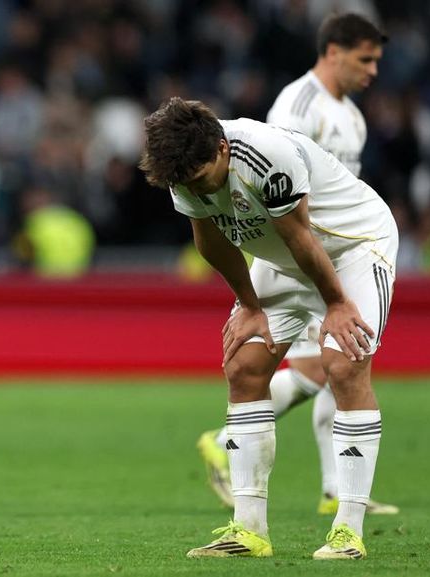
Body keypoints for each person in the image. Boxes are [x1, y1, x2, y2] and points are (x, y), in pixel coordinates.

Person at [140, 97, 397, 560]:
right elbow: (211, 241)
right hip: (283, 255)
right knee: (244, 365)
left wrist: (337, 304)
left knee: (342, 364)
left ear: (222, 148)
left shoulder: (266, 155)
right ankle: (248, 530)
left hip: (351, 247)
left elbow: (303, 236)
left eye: (201, 181)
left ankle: (348, 532)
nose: (194, 191)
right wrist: (249, 305)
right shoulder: (183, 169)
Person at [196, 12, 398, 517]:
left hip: (334, 247)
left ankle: (336, 490)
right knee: (321, 365)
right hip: (299, 252)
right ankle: (225, 443)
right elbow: (274, 192)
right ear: (333, 51)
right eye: (364, 58)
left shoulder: (352, 116)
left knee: (333, 366)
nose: (373, 71)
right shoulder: (297, 103)